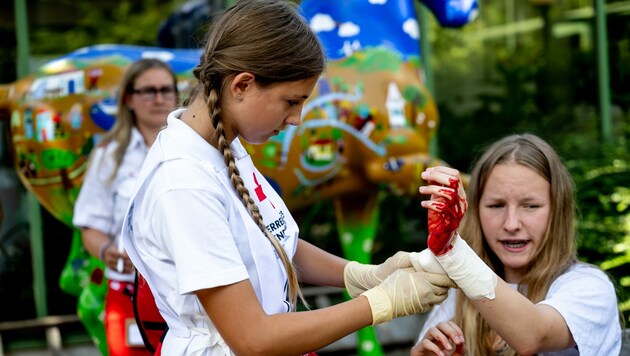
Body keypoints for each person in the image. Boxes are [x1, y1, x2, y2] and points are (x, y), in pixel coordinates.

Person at [120, 1, 456, 355]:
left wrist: (360, 274)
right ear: (242, 85)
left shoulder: (222, 145)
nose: (296, 119)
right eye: (291, 101)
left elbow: (276, 243)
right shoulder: (184, 185)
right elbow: (254, 339)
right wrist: (380, 304)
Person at [409, 133, 622, 355]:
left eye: (530, 206)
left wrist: (451, 249)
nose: (511, 224)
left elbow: (532, 335)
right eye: (496, 206)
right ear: (476, 211)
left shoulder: (589, 286)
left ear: (558, 211)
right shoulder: (457, 295)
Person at [73, 58, 179, 356]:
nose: (159, 98)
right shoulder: (108, 156)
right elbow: (89, 226)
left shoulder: (192, 149)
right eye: (148, 91)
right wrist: (108, 253)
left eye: (165, 90)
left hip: (187, 296)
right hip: (128, 293)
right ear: (129, 99)